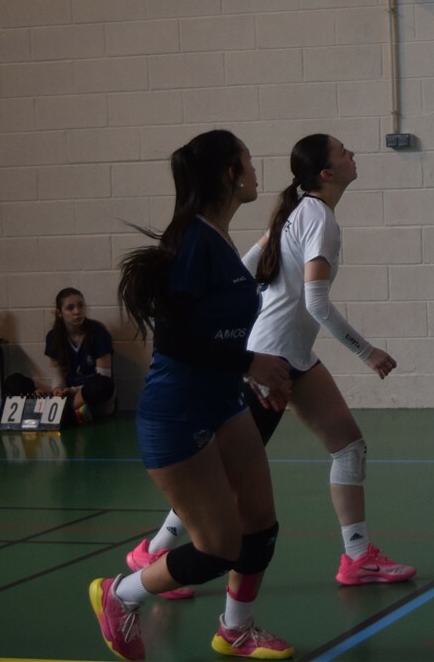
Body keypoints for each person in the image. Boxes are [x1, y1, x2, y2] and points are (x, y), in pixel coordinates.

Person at [126, 134, 415, 590]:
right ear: (326, 172)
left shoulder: (298, 211)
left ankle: (358, 556)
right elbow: (316, 301)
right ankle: (158, 552)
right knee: (226, 475)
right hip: (269, 358)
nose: (352, 155)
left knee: (348, 444)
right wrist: (368, 352)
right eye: (343, 152)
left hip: (290, 352)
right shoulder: (316, 218)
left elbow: (240, 268)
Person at [88, 129, 294, 661]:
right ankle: (120, 594)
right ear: (230, 174)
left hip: (223, 401)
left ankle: (236, 630)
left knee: (260, 526)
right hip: (177, 414)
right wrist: (250, 363)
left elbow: (215, 333)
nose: (256, 171)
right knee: (218, 548)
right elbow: (176, 340)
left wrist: (253, 375)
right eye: (249, 161)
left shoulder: (217, 237)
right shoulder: (193, 240)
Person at [42, 288, 116, 424]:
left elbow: (104, 376)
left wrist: (74, 390)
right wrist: (58, 389)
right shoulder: (53, 337)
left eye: (81, 306)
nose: (77, 311)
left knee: (103, 385)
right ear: (59, 313)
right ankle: (65, 411)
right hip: (69, 392)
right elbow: (58, 375)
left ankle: (64, 412)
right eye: (70, 308)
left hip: (90, 393)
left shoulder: (98, 332)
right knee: (17, 383)